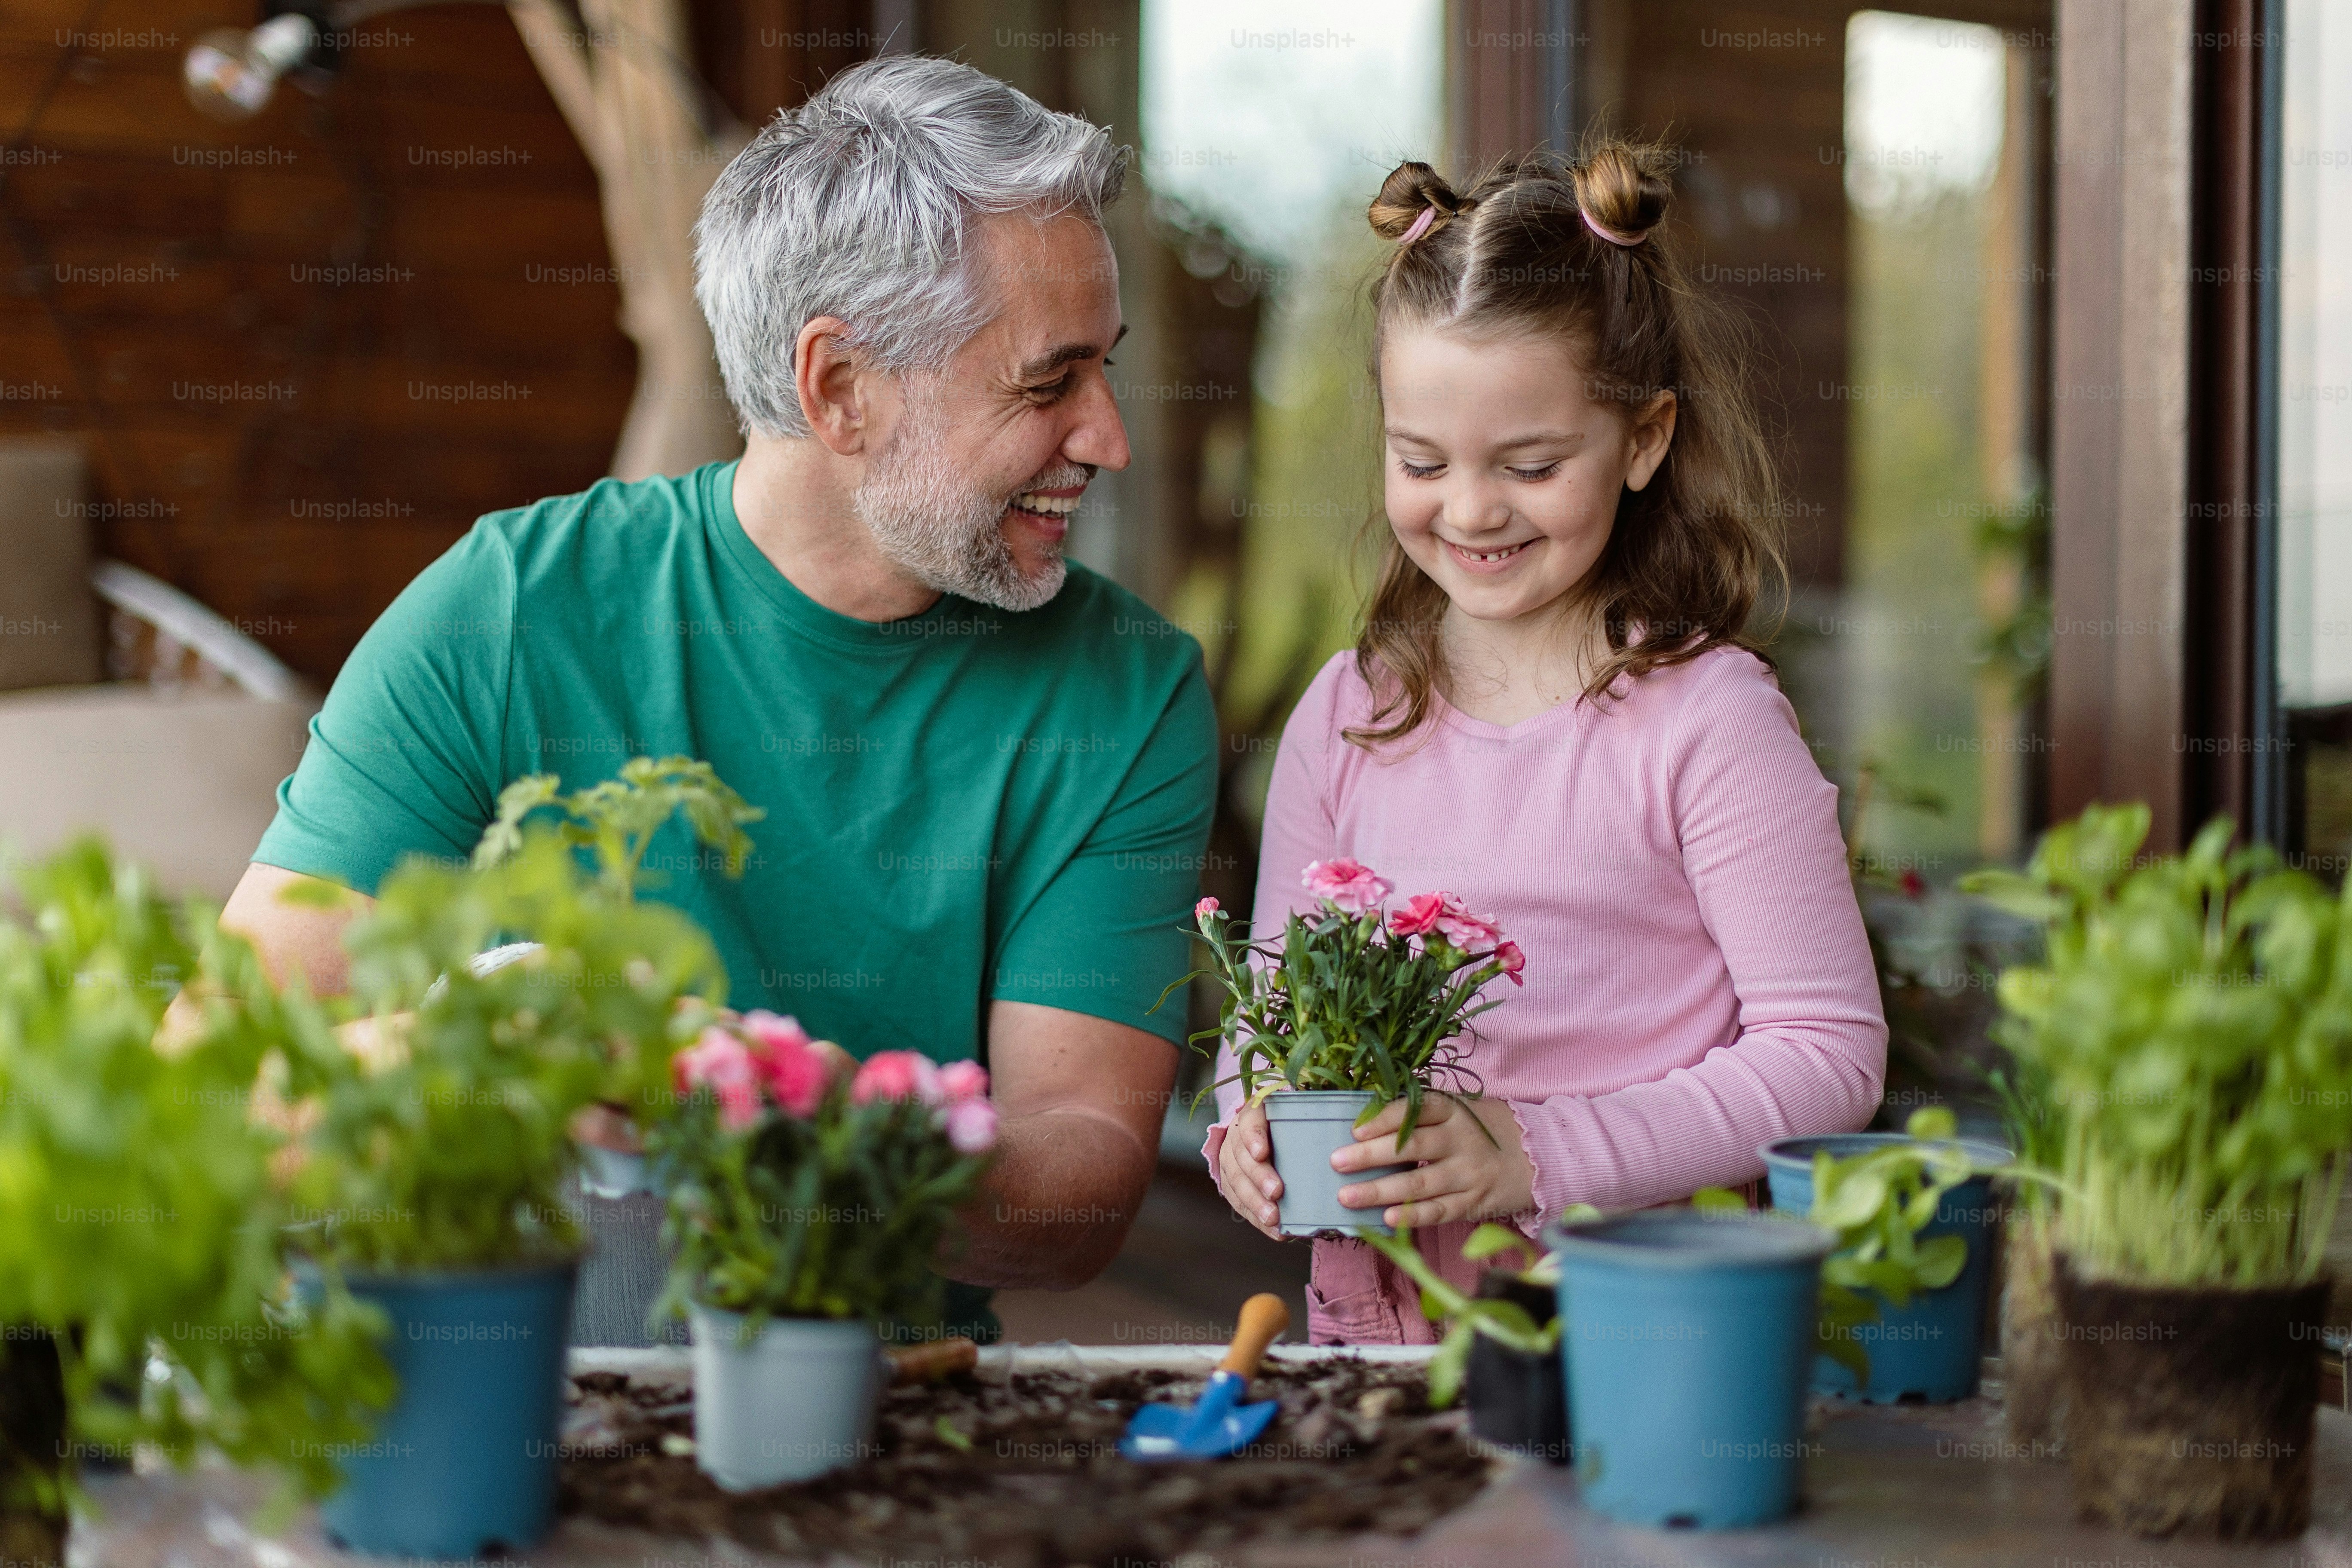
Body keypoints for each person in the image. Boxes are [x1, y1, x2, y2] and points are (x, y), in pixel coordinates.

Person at [196, 55, 1217, 1343]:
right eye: (1047, 381)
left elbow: (1081, 1189)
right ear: (838, 387)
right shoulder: (508, 615)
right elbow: (225, 1083)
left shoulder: (1123, 691)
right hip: (486, 1384)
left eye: (1106, 370)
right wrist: (490, 1061)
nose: (1110, 436)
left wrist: (834, 1134)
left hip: (877, 1412)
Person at [1205, 141, 1888, 1344]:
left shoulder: (1709, 724)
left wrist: (1535, 1152)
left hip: (1631, 1329)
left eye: (1531, 465)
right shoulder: (1346, 712)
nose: (1469, 510)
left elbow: (1828, 1055)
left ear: (1643, 440)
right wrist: (1250, 1123)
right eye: (1421, 461)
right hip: (1379, 1332)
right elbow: (1274, 1002)